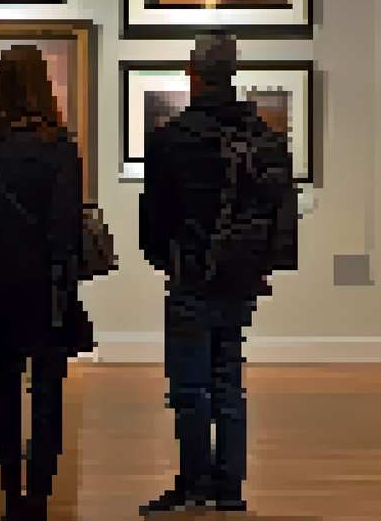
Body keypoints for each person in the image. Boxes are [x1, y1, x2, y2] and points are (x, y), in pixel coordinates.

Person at [138, 31, 298, 516]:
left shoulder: (172, 139)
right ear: (233, 72)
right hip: (242, 276)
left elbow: (153, 223)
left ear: (193, 71)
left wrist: (170, 260)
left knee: (190, 388)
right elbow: (281, 210)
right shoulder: (265, 137)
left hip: (190, 276)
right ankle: (228, 488)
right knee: (228, 379)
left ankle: (193, 486)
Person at [0, 45, 94, 521]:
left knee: (4, 386)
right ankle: (38, 496)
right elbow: (64, 228)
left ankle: (9, 491)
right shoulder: (60, 149)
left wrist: (0, 246)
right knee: (48, 393)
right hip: (49, 285)